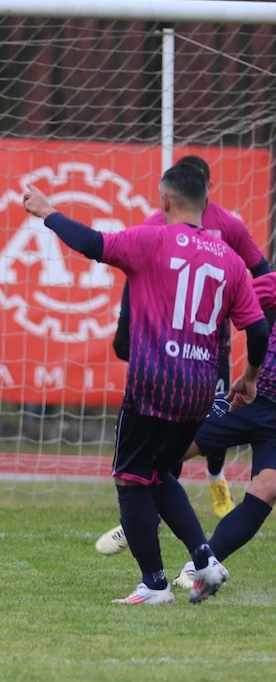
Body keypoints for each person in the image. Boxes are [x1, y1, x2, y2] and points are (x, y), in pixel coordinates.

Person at [23, 163, 268, 605]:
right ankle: (205, 560)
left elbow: (92, 243)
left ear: (164, 202)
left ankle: (155, 584)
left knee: (130, 478)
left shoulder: (152, 238)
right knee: (157, 473)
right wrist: (248, 377)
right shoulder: (229, 260)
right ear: (206, 203)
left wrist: (48, 212)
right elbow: (258, 329)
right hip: (201, 387)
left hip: (155, 380)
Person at [95, 155, 272, 554]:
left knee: (228, 452)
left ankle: (208, 494)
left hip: (215, 355)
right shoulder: (157, 227)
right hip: (184, 354)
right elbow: (134, 276)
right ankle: (149, 513)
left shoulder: (230, 228)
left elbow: (258, 274)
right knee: (172, 450)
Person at [168, 270, 276, 596]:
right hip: (250, 398)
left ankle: (201, 564)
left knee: (268, 488)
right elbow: (234, 298)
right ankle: (135, 518)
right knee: (169, 452)